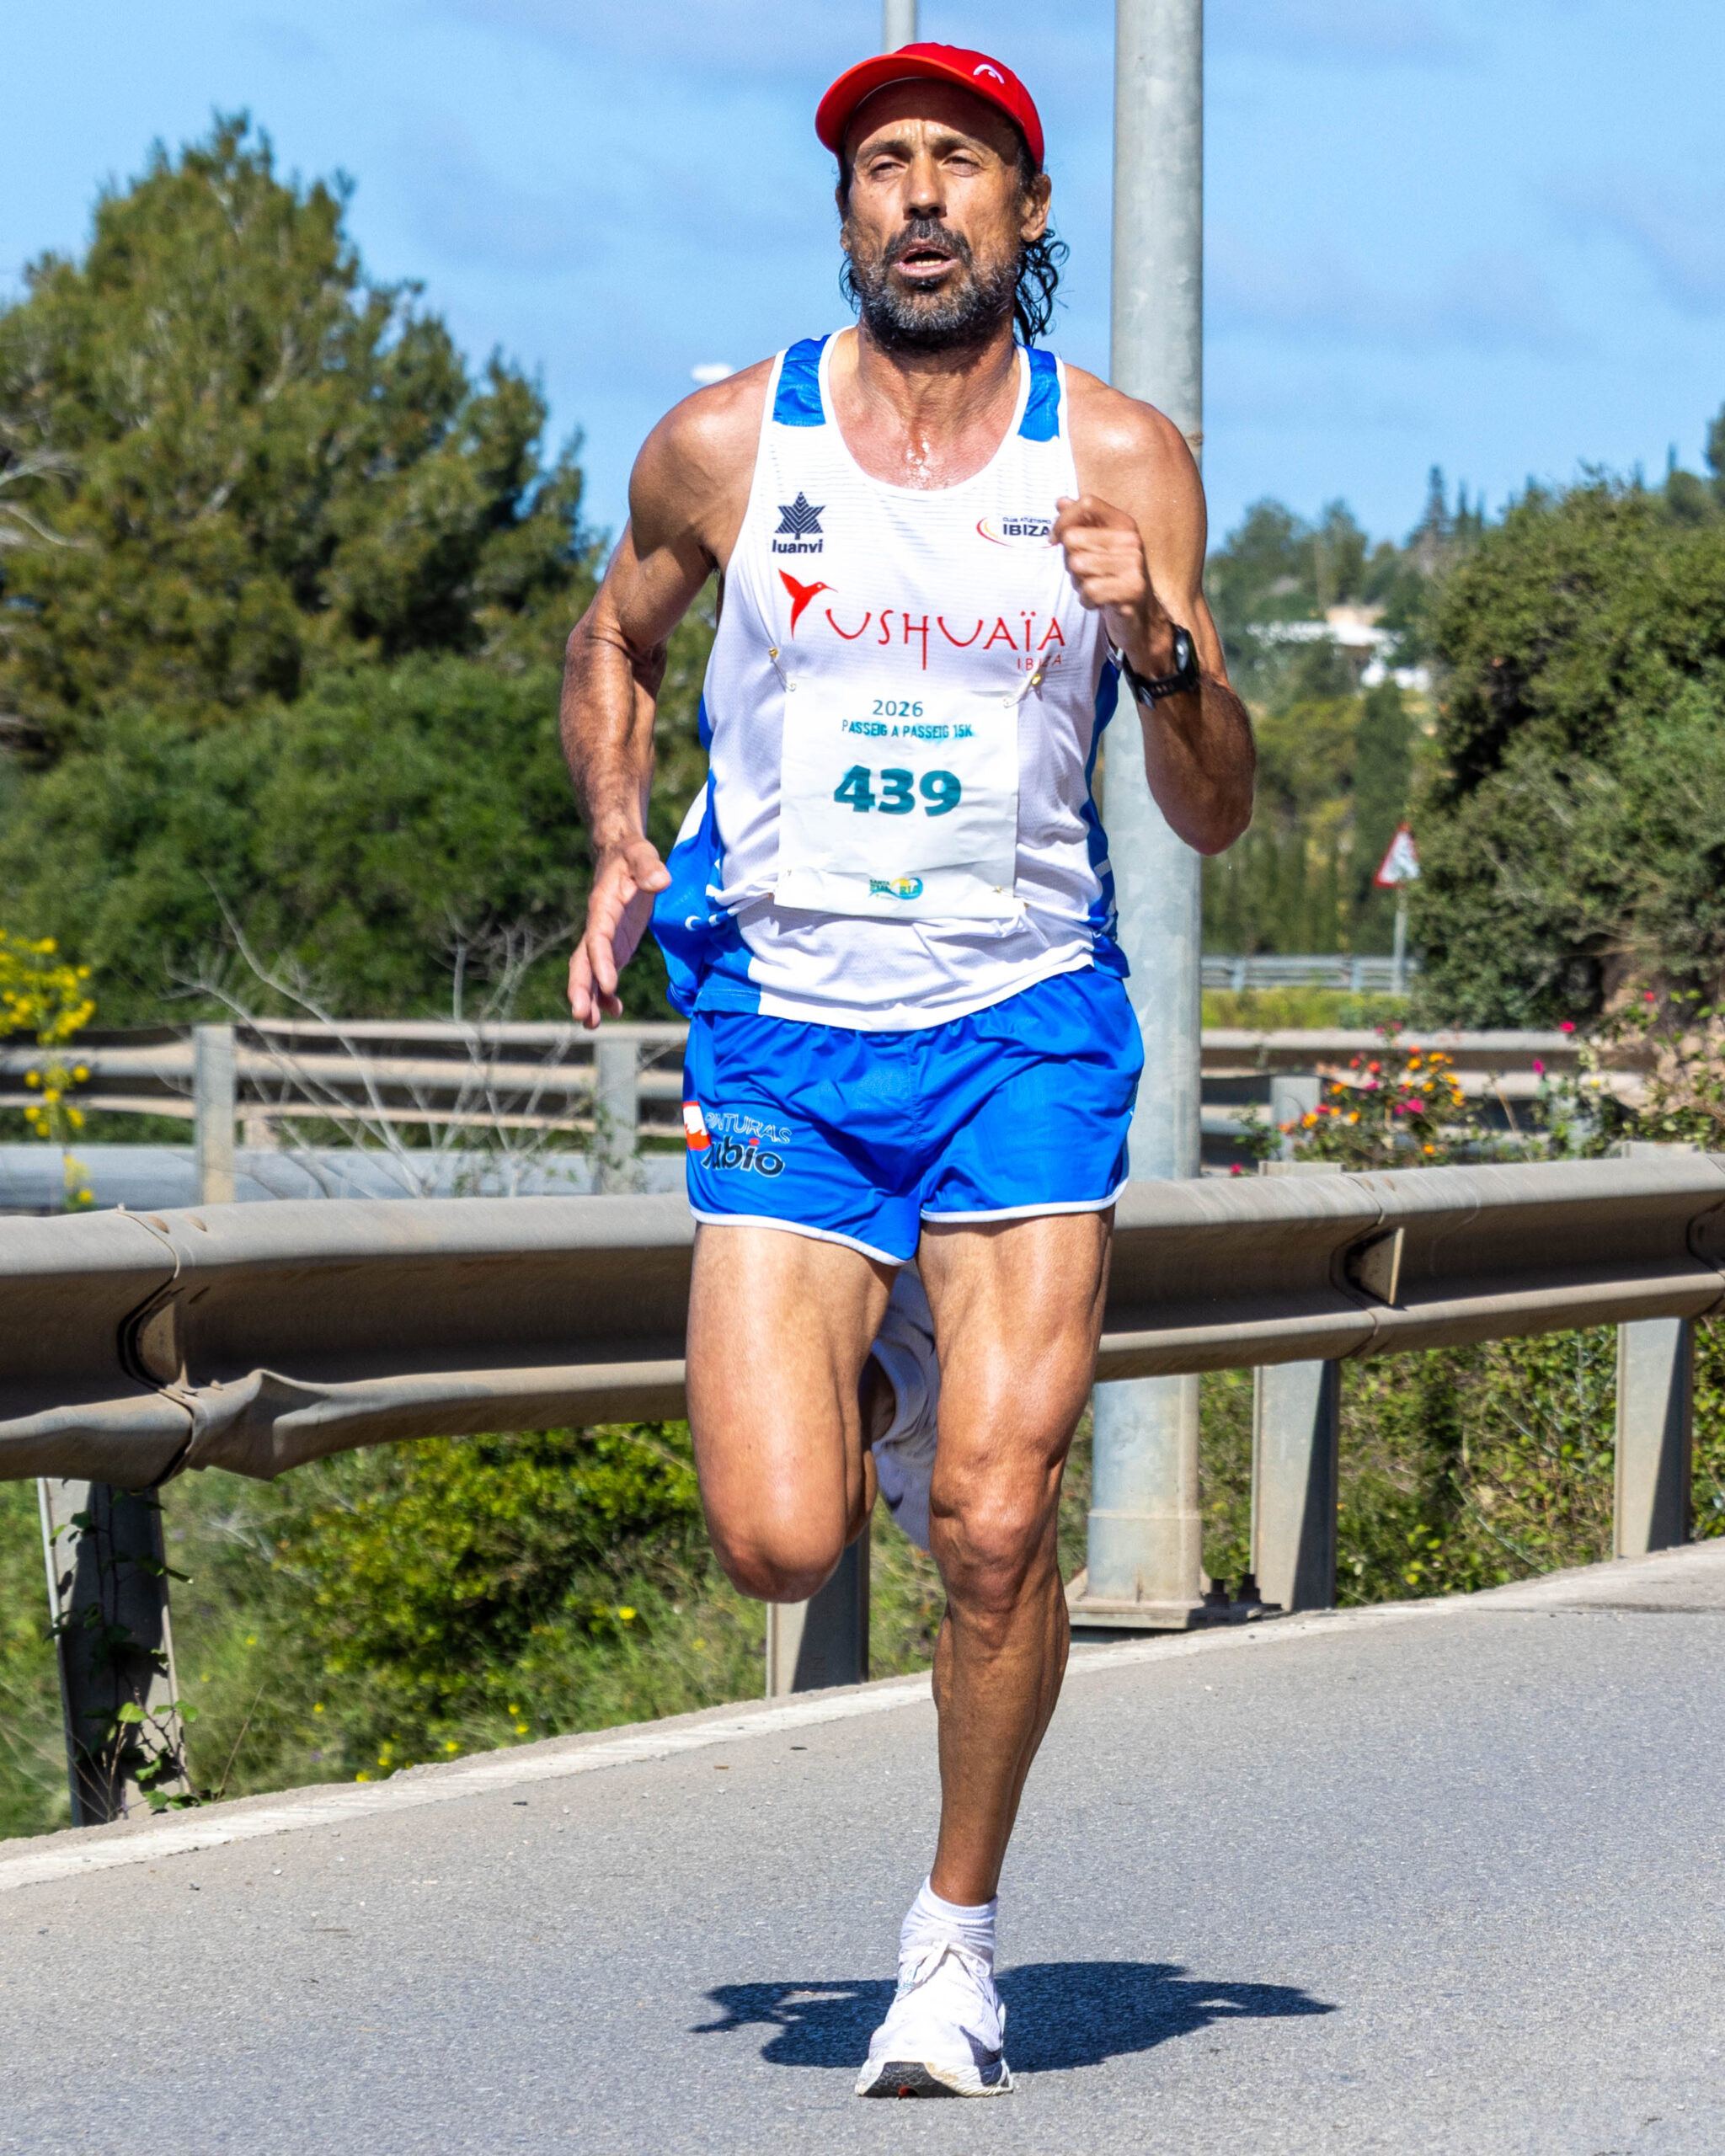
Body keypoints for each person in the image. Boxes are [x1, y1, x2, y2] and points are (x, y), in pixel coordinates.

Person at [560, 40, 1253, 2099]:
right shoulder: (726, 441)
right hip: (786, 1023)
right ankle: (887, 1379)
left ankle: (950, 1944)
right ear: (848, 212)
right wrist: (617, 837)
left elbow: (1212, 807)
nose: (921, 195)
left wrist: (1158, 648)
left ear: (1027, 215)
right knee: (780, 1540)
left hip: (1022, 1021)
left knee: (993, 1525)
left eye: (961, 162)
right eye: (883, 164)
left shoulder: (1115, 457)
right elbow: (612, 641)